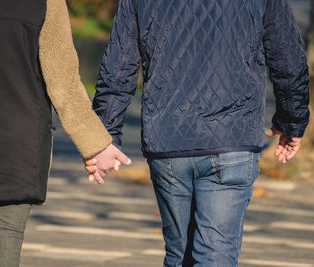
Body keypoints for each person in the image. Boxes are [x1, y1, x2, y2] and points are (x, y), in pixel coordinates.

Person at [86, 0, 310, 266]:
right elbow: (287, 57)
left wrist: (104, 136)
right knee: (215, 256)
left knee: (179, 256)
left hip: (168, 139)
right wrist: (291, 120)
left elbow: (118, 64)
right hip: (231, 138)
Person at [0, 0, 130, 266]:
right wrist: (96, 145)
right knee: (5, 233)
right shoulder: (45, 2)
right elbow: (64, 84)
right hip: (18, 139)